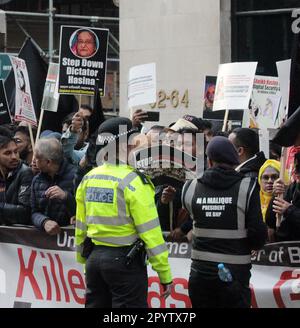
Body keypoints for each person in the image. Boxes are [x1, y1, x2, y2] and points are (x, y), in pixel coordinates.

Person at [75, 117, 173, 308]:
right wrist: (164, 274)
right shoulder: (134, 181)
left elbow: (81, 226)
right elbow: (151, 232)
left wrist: (83, 259)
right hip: (124, 264)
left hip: (94, 260)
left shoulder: (89, 178)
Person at [182, 136, 267, 308]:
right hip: (234, 275)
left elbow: (193, 223)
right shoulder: (247, 187)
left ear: (209, 160)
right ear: (234, 160)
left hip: (200, 274)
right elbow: (258, 237)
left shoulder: (190, 188)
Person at [31, 138, 77, 235]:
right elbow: (33, 212)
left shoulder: (76, 177)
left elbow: (87, 211)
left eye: (37, 158)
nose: (33, 161)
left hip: (71, 242)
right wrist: (44, 222)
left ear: (48, 162)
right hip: (46, 242)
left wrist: (66, 197)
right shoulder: (37, 180)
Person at [0, 127, 33, 225]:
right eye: (7, 153)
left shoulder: (25, 173)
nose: (14, 157)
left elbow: (25, 212)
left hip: (17, 236)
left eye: (16, 152)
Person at [266, 152, 300, 241]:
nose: (295, 172)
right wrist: (276, 195)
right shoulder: (292, 189)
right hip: (288, 249)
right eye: (295, 167)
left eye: (298, 168)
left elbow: (289, 210)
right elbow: (270, 221)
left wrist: (289, 210)